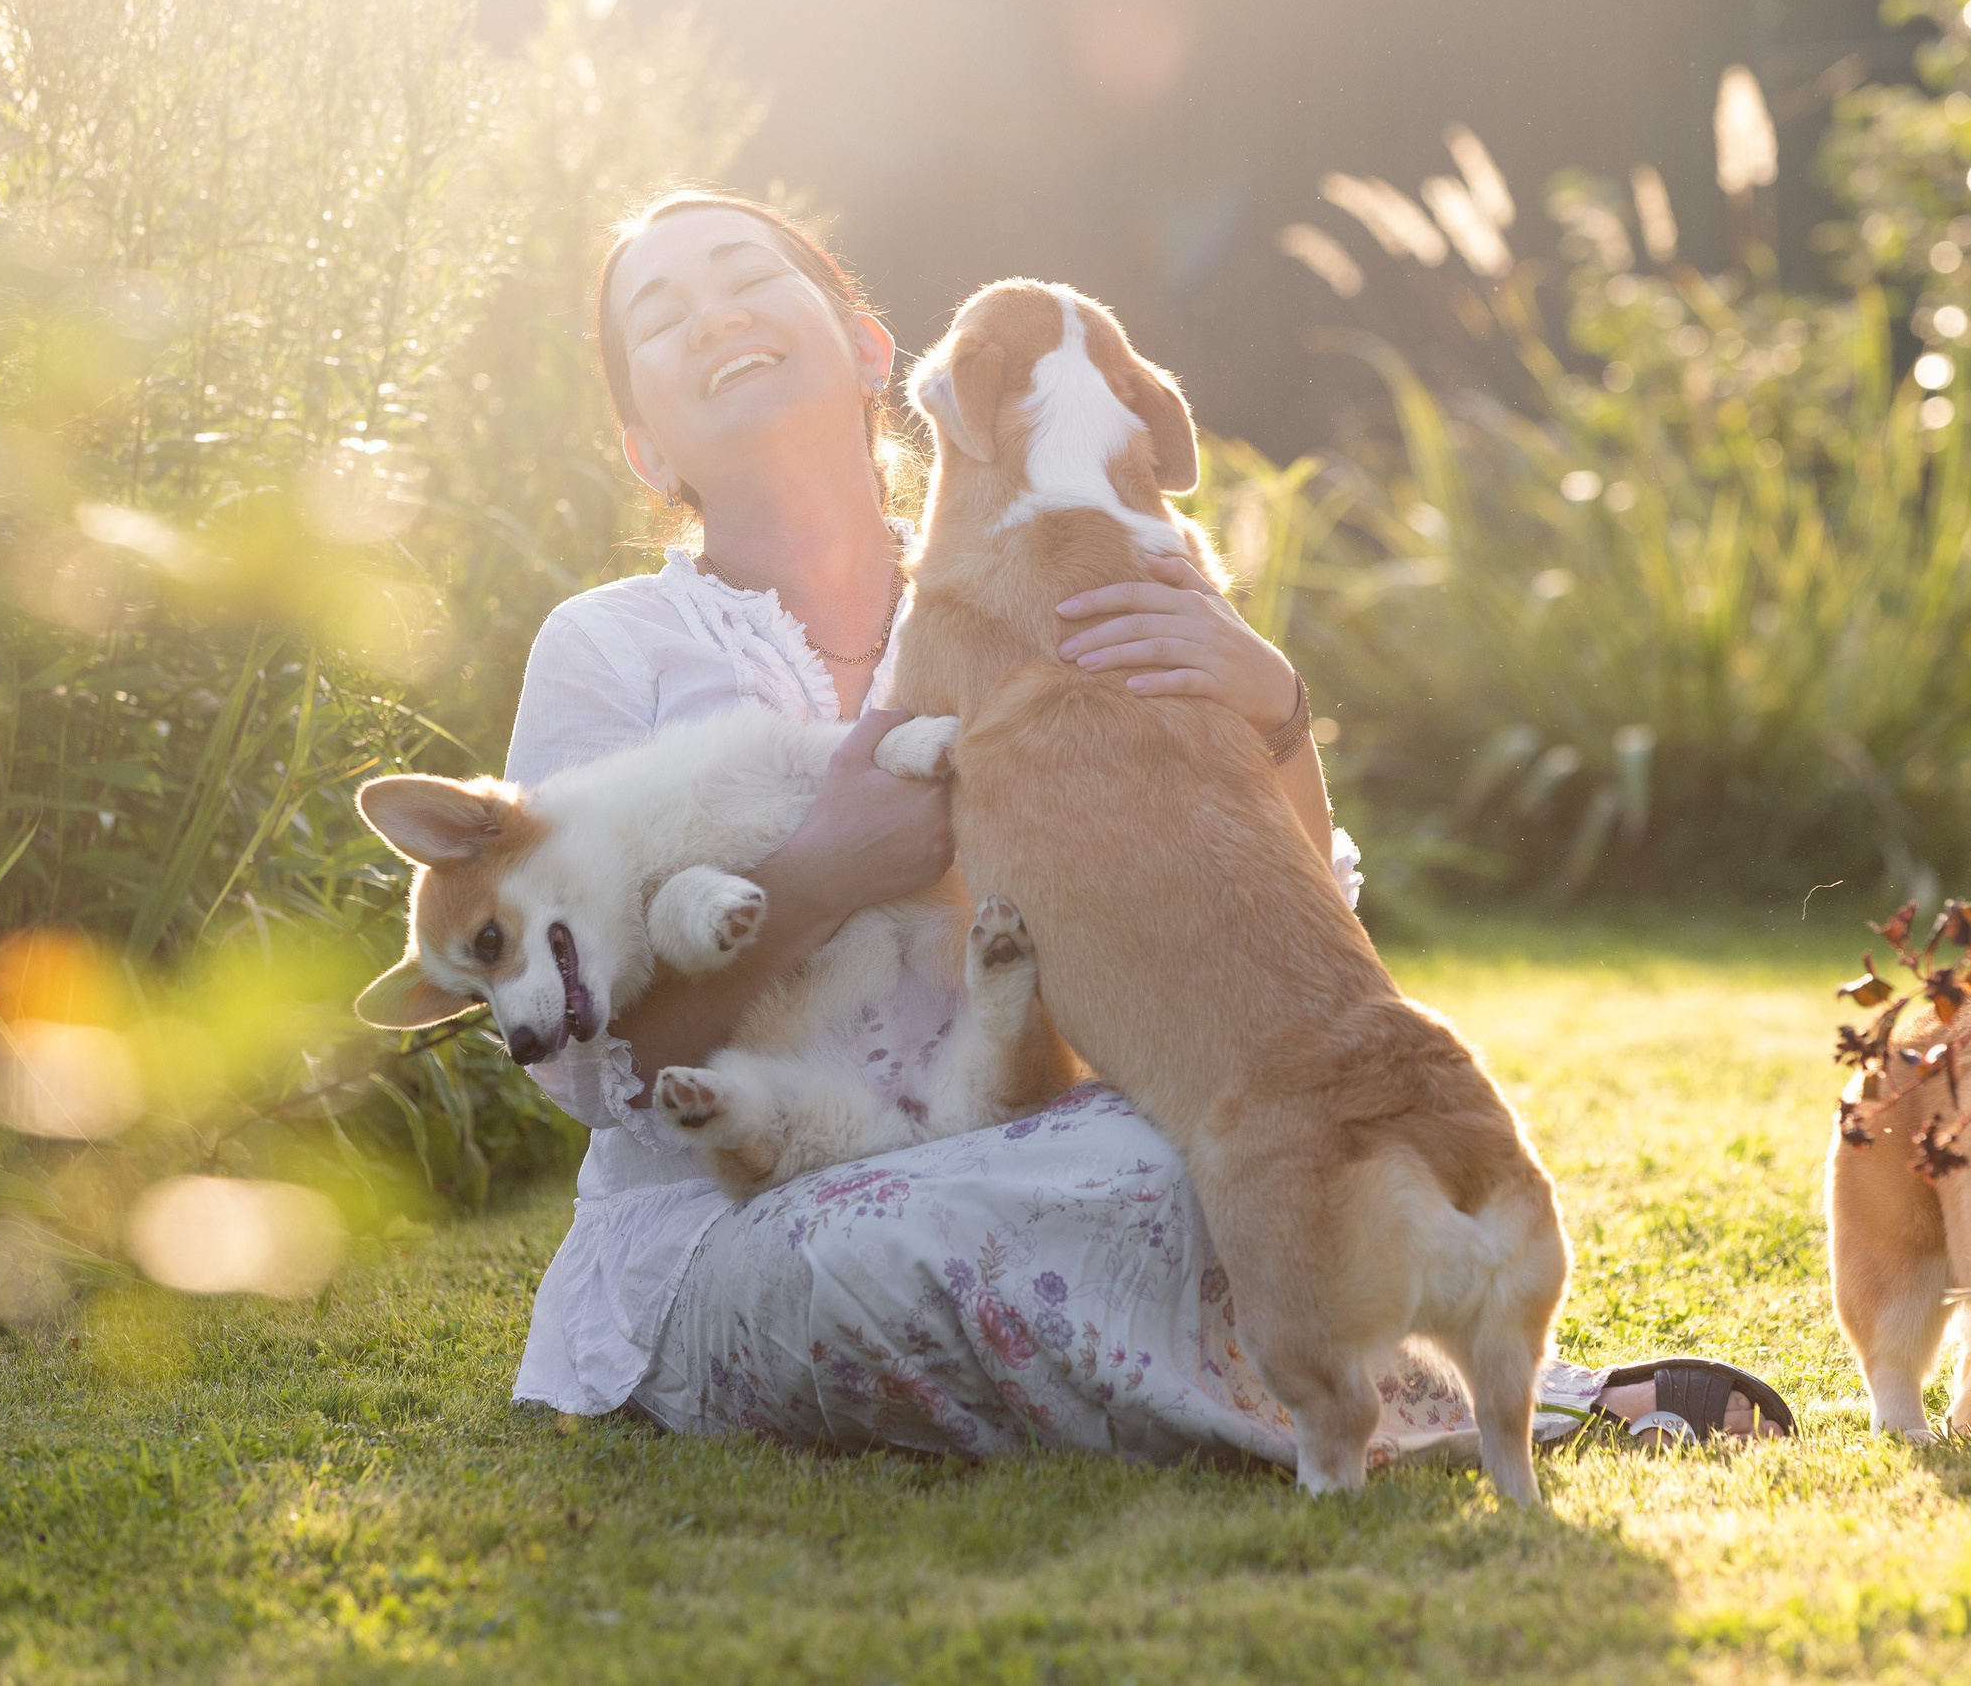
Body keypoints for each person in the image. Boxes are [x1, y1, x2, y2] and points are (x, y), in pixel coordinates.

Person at [503, 189, 1792, 1468]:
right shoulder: (612, 650)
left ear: (870, 350)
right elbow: (595, 1058)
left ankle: (1459, 1391)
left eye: (744, 272)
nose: (714, 312)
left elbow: (1292, 921)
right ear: (643, 449)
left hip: (1040, 1132)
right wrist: (825, 871)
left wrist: (1272, 709)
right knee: (929, 1239)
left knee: (1220, 1152)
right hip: (751, 1211)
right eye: (659, 314)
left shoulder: (1089, 558)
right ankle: (1444, 1424)